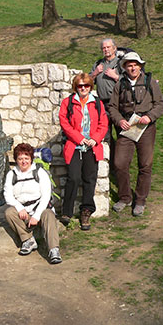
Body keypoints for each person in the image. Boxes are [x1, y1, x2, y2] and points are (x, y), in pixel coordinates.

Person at [108, 52, 163, 217]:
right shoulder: (120, 84)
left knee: (145, 164)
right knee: (119, 163)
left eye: (135, 65)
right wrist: (119, 120)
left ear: (140, 66)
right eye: (129, 65)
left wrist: (150, 116)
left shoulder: (150, 82)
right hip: (127, 127)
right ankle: (125, 197)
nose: (132, 68)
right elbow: (112, 107)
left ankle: (140, 200)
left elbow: (160, 104)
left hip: (146, 128)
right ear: (125, 67)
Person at [59, 73, 108, 230]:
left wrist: (95, 138)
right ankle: (66, 211)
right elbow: (64, 123)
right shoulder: (68, 103)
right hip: (75, 145)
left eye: (86, 85)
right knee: (73, 178)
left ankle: (86, 211)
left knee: (89, 179)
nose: (83, 88)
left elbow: (103, 124)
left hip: (91, 147)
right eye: (80, 86)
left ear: (90, 87)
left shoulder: (97, 103)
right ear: (76, 87)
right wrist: (78, 138)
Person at [4, 143, 62, 264]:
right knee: (9, 212)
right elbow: (8, 195)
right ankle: (28, 240)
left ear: (31, 159)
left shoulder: (40, 172)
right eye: (20, 159)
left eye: (26, 158)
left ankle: (53, 249)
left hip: (40, 209)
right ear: (16, 160)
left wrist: (36, 216)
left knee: (48, 214)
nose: (23, 162)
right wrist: (19, 208)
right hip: (24, 212)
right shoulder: (11, 175)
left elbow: (46, 196)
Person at [90, 38, 122, 147]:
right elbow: (88, 82)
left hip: (118, 103)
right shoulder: (98, 64)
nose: (106, 49)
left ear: (114, 48)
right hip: (103, 104)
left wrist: (116, 76)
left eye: (108, 47)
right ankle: (110, 160)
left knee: (121, 133)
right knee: (105, 134)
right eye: (104, 48)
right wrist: (95, 73)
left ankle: (122, 162)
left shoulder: (120, 63)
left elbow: (129, 81)